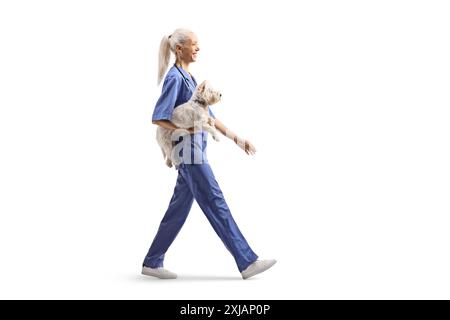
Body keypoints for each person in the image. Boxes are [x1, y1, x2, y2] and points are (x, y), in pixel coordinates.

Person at [142, 28, 276, 279]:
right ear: (179, 48)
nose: (197, 49)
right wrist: (187, 128)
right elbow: (158, 117)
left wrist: (238, 139)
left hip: (195, 152)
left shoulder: (191, 80)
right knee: (216, 200)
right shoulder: (174, 78)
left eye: (198, 45)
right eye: (193, 45)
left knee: (178, 209)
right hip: (189, 154)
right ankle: (247, 261)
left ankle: (152, 261)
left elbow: (210, 119)